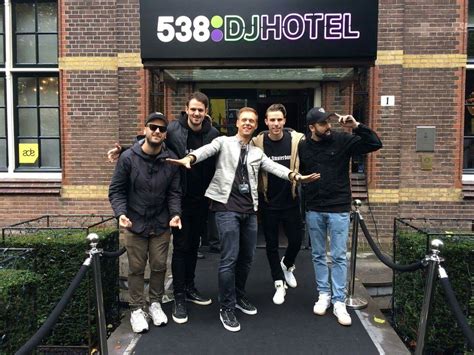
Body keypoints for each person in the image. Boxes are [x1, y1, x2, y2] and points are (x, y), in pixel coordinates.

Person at [167, 107, 319, 332]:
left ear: (256, 125)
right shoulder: (223, 142)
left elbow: (275, 167)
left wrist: (296, 176)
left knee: (247, 258)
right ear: (237, 123)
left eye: (252, 121)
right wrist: (189, 158)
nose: (248, 123)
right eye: (244, 120)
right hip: (226, 208)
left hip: (250, 211)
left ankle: (238, 296)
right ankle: (226, 307)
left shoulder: (257, 152)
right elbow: (206, 150)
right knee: (229, 258)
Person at [107, 92, 219, 324]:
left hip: (198, 200)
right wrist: (124, 149)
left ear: (206, 112)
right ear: (186, 109)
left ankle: (188, 287)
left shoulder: (214, 134)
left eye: (201, 110)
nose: (197, 113)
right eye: (193, 109)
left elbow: (219, 159)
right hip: (177, 201)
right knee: (180, 248)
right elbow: (148, 143)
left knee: (192, 247)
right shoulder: (174, 130)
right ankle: (177, 294)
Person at [298, 107, 382, 326]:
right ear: (312, 127)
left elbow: (375, 143)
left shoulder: (343, 139)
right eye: (323, 123)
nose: (327, 127)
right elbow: (302, 172)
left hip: (338, 208)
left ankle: (339, 301)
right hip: (314, 208)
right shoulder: (303, 145)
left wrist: (356, 126)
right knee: (317, 255)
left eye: (328, 122)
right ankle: (323, 294)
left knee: (337, 256)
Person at [108, 112, 182, 333]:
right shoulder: (128, 158)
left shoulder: (170, 160)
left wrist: (175, 213)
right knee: (137, 268)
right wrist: (120, 213)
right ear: (145, 129)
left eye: (161, 129)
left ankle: (156, 303)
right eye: (153, 127)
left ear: (165, 134)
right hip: (135, 222)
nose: (157, 131)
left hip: (160, 223)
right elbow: (116, 190)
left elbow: (174, 192)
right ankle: (137, 309)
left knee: (159, 265)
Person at [252, 103, 305, 305]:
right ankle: (278, 282)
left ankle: (288, 264)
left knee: (296, 240)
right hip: (269, 202)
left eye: (279, 119)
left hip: (290, 200)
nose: (275, 123)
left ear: (284, 121)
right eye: (271, 120)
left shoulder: (296, 140)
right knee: (271, 245)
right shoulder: (258, 142)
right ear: (266, 122)